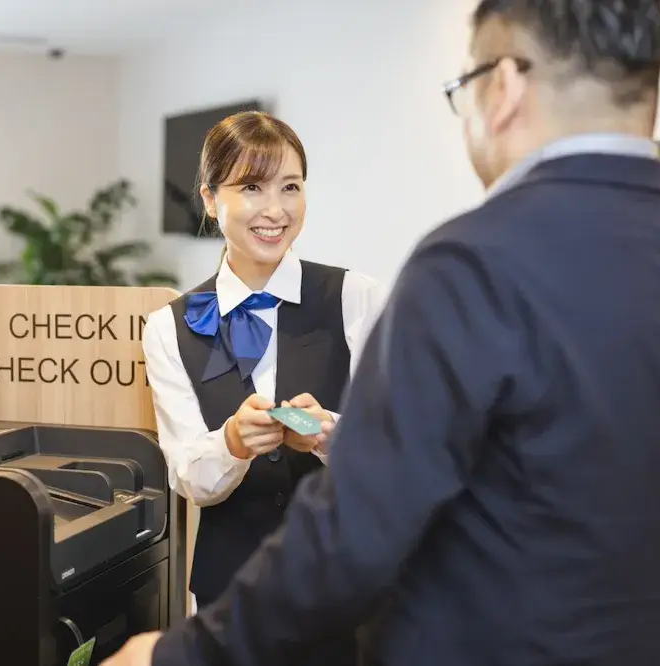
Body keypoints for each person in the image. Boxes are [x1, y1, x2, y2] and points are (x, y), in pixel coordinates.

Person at [106, 1, 660, 665]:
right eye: (253, 189)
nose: (275, 209)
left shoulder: (470, 267)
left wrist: (183, 655)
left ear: (503, 86)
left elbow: (366, 519)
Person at [138, 110, 383, 663]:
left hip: (343, 585)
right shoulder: (171, 327)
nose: (276, 210)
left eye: (290, 187)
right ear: (209, 198)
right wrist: (231, 442)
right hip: (231, 595)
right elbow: (187, 475)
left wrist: (327, 436)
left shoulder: (355, 297)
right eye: (251, 187)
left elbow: (396, 446)